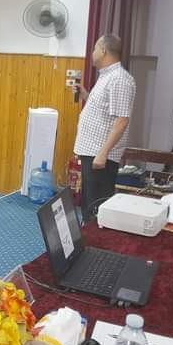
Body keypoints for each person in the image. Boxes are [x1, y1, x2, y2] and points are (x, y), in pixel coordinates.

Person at [72, 34, 136, 221]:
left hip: (100, 156)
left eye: (94, 49)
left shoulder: (119, 79)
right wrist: (85, 95)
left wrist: (103, 153)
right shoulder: (106, 76)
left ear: (103, 50)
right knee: (88, 205)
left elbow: (122, 120)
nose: (92, 53)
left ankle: (94, 239)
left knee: (96, 208)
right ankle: (88, 235)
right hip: (92, 152)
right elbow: (105, 111)